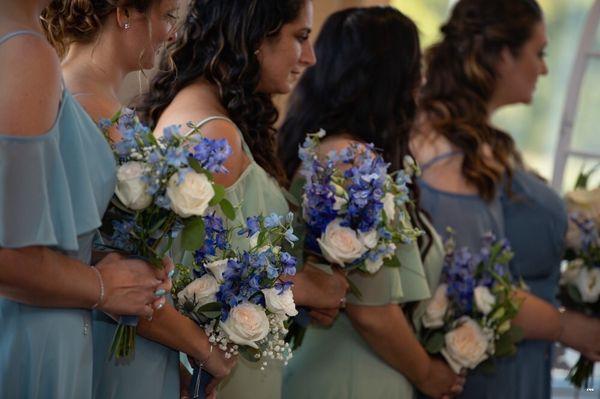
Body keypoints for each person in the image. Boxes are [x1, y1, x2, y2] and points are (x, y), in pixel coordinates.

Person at [136, 1, 349, 398]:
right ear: (254, 37)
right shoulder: (213, 135)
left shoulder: (212, 117)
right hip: (215, 375)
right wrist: (307, 287)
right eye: (300, 37)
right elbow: (190, 278)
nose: (311, 56)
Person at [41, 1, 237, 398]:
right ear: (125, 12)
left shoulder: (99, 104)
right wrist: (203, 349)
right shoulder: (85, 111)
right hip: (108, 355)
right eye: (167, 16)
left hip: (137, 351)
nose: (174, 33)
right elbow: (113, 271)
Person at [411, 0, 600, 397]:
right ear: (502, 55)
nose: (545, 68)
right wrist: (566, 326)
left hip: (521, 362)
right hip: (486, 372)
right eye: (539, 53)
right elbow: (468, 279)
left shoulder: (482, 141)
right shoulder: (444, 148)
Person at [278, 7, 465, 399]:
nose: (423, 82)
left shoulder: (325, 149)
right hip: (350, 378)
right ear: (392, 78)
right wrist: (429, 374)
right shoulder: (350, 162)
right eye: (415, 69)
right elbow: (369, 307)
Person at [0, 1, 171, 398]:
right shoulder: (25, 52)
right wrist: (100, 285)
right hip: (33, 337)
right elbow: (8, 254)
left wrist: (104, 265)